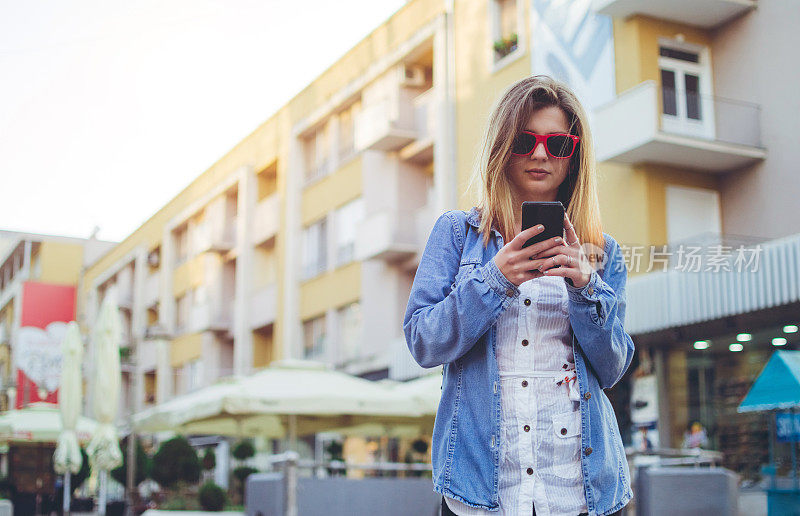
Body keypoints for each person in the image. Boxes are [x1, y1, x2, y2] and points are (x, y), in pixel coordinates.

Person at [403, 75, 635, 516]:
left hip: (580, 491)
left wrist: (587, 289)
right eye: (526, 140)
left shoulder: (603, 252)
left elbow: (612, 368)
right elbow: (422, 341)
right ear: (503, 147)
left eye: (558, 144)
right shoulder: (457, 234)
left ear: (574, 154)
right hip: (483, 492)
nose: (541, 154)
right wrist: (494, 281)